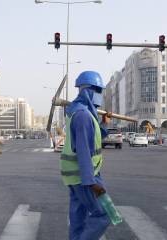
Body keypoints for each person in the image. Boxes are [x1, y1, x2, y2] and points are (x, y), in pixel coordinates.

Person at [60, 71, 112, 240]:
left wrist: (103, 125)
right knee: (104, 214)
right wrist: (91, 183)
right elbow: (83, 151)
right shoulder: (82, 115)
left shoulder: (80, 112)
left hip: (75, 177)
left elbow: (92, 140)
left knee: (78, 219)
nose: (99, 96)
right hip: (85, 177)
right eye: (98, 91)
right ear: (88, 90)